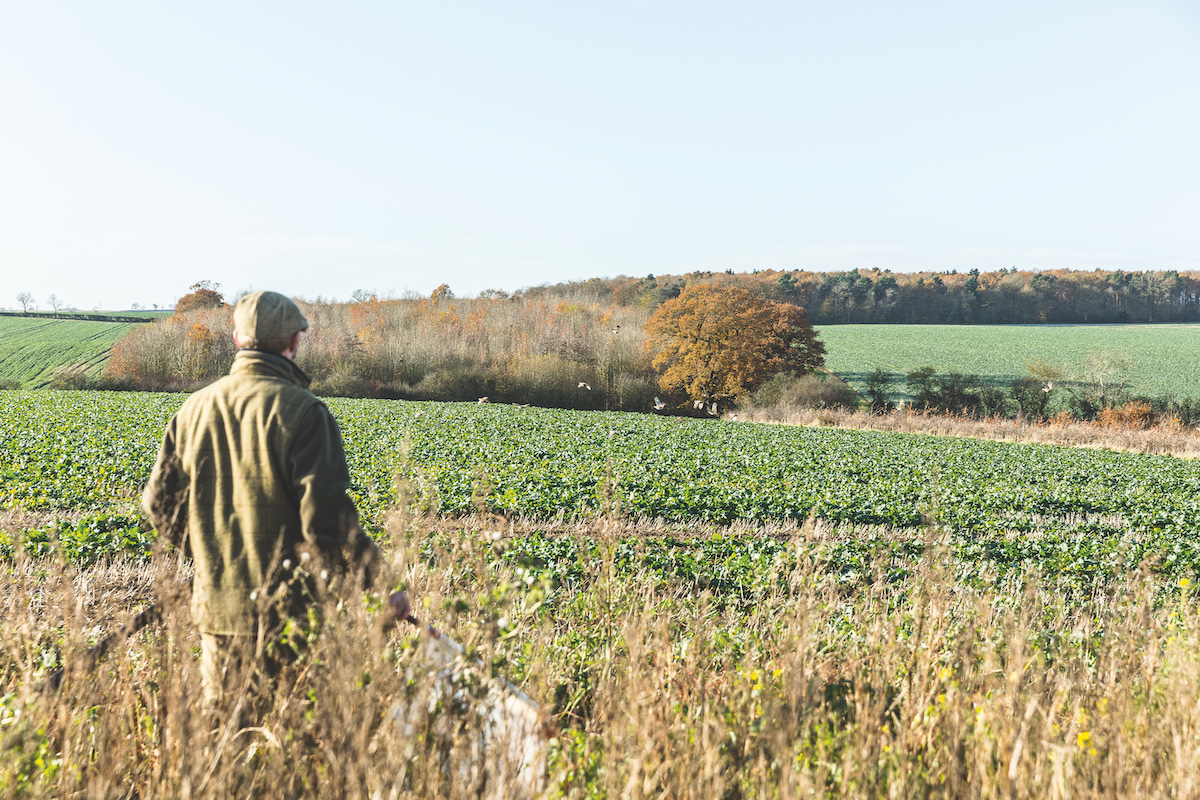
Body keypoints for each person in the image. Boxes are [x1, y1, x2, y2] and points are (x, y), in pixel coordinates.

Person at [142, 290, 410, 706]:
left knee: (227, 737)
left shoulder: (192, 410)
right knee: (290, 739)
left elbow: (158, 505)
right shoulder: (304, 413)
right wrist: (381, 584)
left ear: (236, 339)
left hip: (218, 610)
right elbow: (326, 525)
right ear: (294, 343)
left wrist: (208, 556)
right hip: (290, 617)